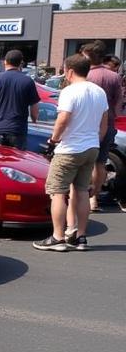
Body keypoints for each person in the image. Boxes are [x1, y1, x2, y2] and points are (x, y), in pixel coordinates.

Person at [33, 53, 108, 251]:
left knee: (57, 192)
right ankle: (81, 237)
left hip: (69, 148)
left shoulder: (69, 91)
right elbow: (104, 122)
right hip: (91, 147)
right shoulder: (99, 92)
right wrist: (95, 140)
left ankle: (58, 237)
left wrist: (53, 140)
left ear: (70, 71)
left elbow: (63, 118)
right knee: (82, 191)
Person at [79, 42, 121, 212]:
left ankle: (87, 196)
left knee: (84, 162)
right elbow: (119, 103)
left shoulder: (85, 75)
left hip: (86, 124)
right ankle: (94, 198)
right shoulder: (114, 76)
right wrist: (113, 116)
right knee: (100, 162)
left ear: (88, 56)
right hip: (108, 123)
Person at [0, 49, 40, 149]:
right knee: (15, 163)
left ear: (5, 62)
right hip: (17, 130)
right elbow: (34, 107)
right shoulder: (27, 81)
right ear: (21, 63)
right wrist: (34, 120)